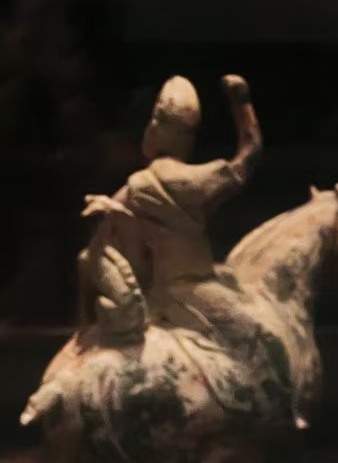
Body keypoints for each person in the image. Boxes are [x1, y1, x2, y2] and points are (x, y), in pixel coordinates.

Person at [79, 73, 263, 350]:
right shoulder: (200, 179)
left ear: (153, 129)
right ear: (188, 138)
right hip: (195, 294)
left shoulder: (136, 187)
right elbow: (250, 151)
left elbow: (103, 234)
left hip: (156, 296)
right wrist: (241, 101)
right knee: (257, 336)